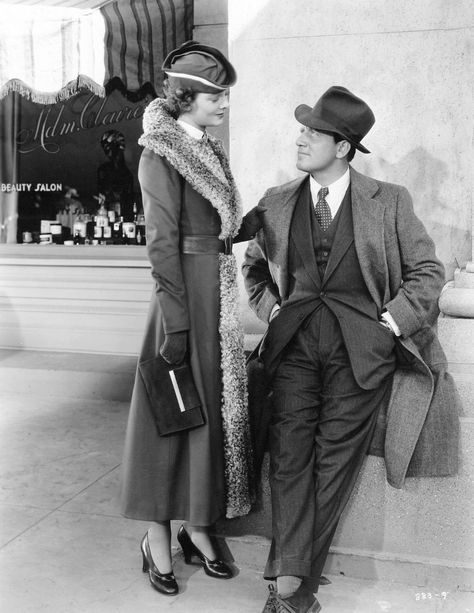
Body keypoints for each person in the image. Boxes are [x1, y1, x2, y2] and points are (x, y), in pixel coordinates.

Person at [242, 86, 460, 613]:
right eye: (302, 129)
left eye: (312, 133)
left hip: (360, 354)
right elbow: (251, 265)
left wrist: (390, 322)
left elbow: (428, 271)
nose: (300, 139)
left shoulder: (389, 200)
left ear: (342, 147)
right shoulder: (277, 200)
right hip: (292, 347)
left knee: (332, 464)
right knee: (289, 459)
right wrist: (271, 310)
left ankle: (289, 585)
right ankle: (295, 590)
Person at [120, 41, 260, 596]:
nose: (223, 103)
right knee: (170, 415)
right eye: (215, 94)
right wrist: (175, 323)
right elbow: (162, 243)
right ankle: (157, 534)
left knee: (207, 415)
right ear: (186, 96)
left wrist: (264, 213)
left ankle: (197, 526)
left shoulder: (206, 147)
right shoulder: (160, 152)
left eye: (224, 93)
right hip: (184, 299)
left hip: (215, 296)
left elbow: (216, 229)